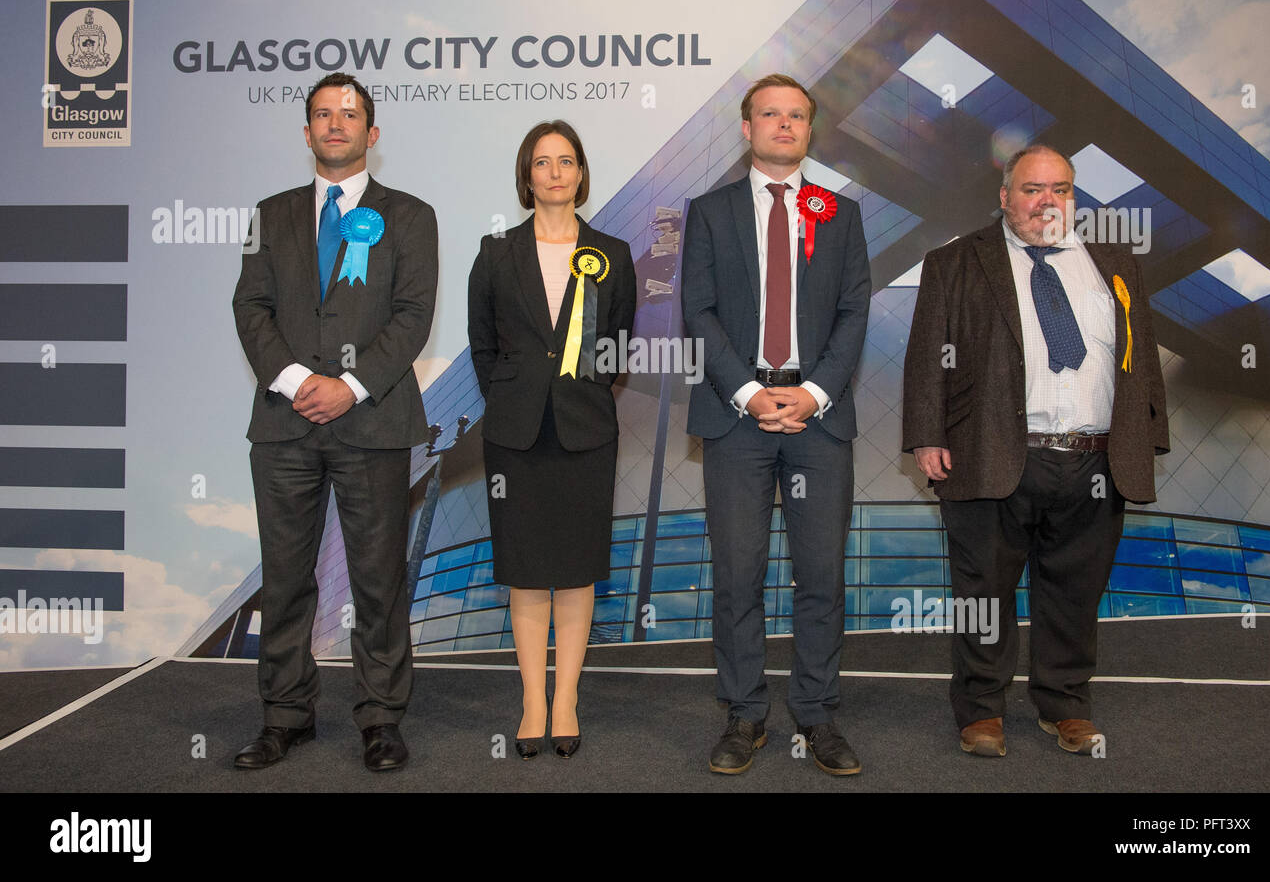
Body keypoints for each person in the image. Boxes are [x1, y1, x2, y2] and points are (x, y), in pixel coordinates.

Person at [902, 144, 1168, 757]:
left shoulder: (1115, 263)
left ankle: (1065, 706)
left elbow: (1142, 357)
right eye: (1031, 188)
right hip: (991, 454)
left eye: (1060, 189)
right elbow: (925, 357)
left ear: (1073, 197)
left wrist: (1148, 438)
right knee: (983, 592)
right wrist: (926, 435)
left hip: (1096, 459)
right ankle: (981, 711)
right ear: (1005, 197)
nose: (1046, 200)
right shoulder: (957, 261)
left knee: (1075, 593)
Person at [232, 72, 438, 772]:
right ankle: (286, 716)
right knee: (286, 578)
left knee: (378, 580)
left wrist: (348, 386)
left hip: (371, 423)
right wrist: (297, 382)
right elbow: (250, 309)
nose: (335, 124)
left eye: (349, 114)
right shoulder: (270, 213)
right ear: (307, 130)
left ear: (372, 133)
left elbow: (412, 316)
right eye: (323, 114)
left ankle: (380, 719)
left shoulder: (410, 216)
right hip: (285, 427)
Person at [681, 74, 872, 776]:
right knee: (738, 575)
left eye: (796, 116)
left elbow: (855, 310)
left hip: (819, 421)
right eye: (770, 114)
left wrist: (815, 391)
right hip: (737, 420)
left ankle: (818, 716)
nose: (784, 125)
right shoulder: (708, 211)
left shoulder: (839, 215)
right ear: (746, 127)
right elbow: (696, 312)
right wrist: (748, 392)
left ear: (808, 129)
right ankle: (745, 714)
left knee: (821, 575)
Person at [467, 121, 636, 759]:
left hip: (585, 430)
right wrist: (514, 396)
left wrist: (579, 393)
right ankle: (531, 701)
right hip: (515, 433)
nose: (556, 172)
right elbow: (483, 345)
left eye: (567, 161)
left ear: (582, 173)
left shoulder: (613, 253)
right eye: (543, 162)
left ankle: (565, 697)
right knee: (526, 572)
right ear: (527, 176)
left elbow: (617, 343)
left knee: (576, 568)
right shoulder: (494, 252)